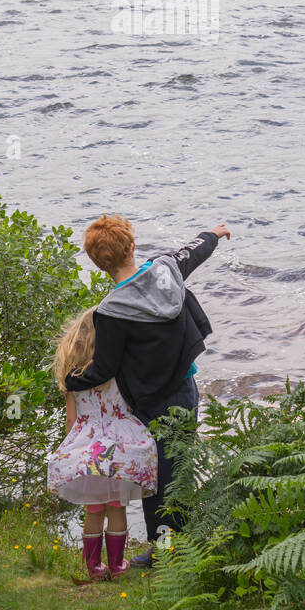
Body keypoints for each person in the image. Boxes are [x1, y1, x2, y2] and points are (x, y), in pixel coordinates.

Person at [66, 214, 230, 568]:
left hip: (150, 405)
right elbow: (193, 253)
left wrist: (71, 381)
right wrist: (213, 234)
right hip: (185, 392)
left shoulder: (110, 312)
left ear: (98, 264)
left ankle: (166, 552)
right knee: (179, 473)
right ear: (131, 246)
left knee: (158, 480)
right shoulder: (165, 271)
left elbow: (104, 369)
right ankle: (179, 547)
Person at [48, 308, 158, 581]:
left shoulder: (73, 377)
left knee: (93, 509)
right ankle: (118, 566)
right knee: (116, 506)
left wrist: (73, 447)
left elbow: (71, 419)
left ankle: (94, 568)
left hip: (90, 448)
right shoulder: (117, 370)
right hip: (119, 445)